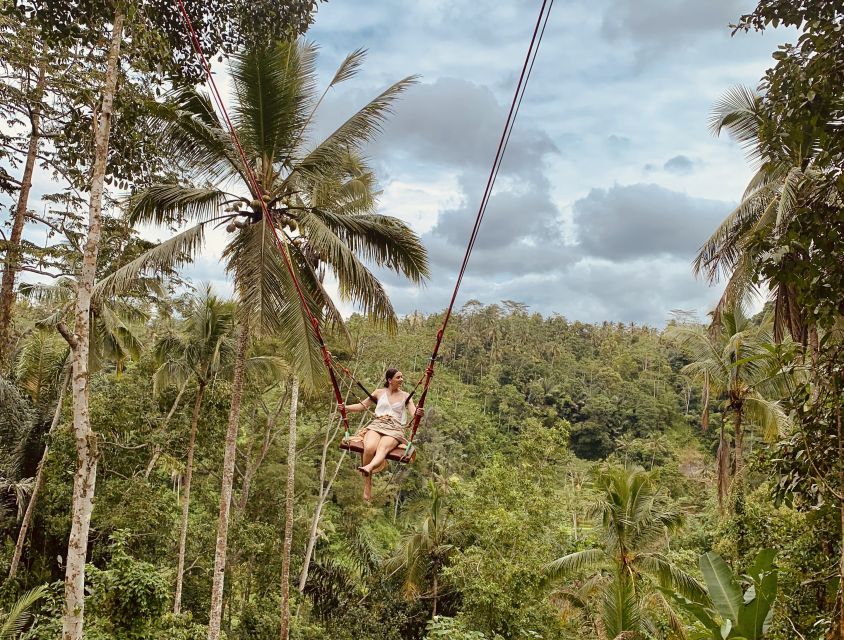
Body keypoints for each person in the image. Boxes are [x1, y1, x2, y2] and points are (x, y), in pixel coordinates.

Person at [345, 368, 423, 500]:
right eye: (398, 377)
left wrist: (418, 414)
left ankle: (368, 467)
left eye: (401, 377)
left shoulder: (406, 396)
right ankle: (367, 484)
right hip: (377, 425)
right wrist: (345, 408)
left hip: (394, 428)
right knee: (369, 448)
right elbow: (361, 406)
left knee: (383, 448)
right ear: (389, 380)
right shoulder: (379, 393)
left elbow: (413, 413)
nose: (401, 380)